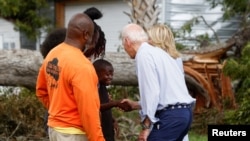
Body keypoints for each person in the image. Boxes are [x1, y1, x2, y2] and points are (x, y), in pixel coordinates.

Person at [120, 23, 196, 141]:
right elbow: (165, 94)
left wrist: (146, 127)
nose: (124, 48)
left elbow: (152, 93)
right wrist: (136, 104)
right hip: (185, 113)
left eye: (123, 44)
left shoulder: (143, 54)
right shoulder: (163, 55)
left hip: (171, 116)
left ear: (127, 41)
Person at [36, 13, 105, 141]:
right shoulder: (82, 66)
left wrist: (59, 111)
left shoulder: (53, 54)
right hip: (74, 134)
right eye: (91, 34)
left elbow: (41, 91)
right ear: (85, 35)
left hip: (55, 130)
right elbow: (89, 111)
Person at [93, 59, 129, 141]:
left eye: (111, 75)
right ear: (96, 73)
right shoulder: (93, 88)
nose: (110, 77)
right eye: (107, 75)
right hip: (100, 131)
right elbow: (96, 107)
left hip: (108, 129)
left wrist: (112, 120)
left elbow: (104, 106)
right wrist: (115, 103)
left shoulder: (102, 86)